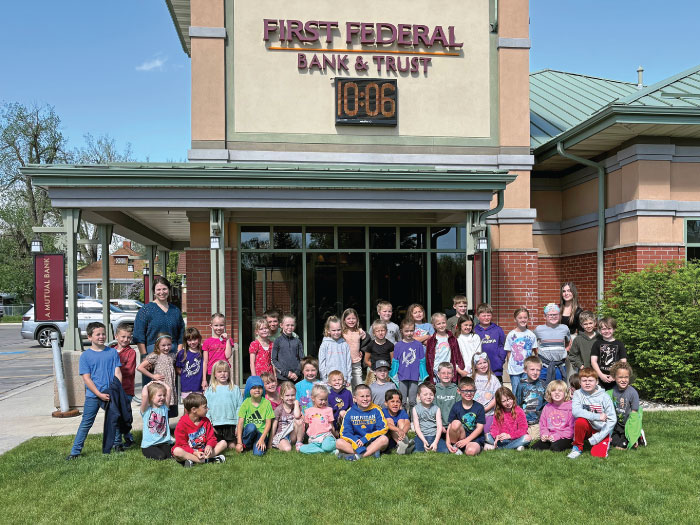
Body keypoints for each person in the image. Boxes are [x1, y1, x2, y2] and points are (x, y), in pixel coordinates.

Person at [67, 322, 122, 460]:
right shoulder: (86, 356)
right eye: (98, 334)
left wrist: (115, 389)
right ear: (90, 337)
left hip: (110, 392)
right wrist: (99, 394)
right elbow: (87, 378)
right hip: (93, 396)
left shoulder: (112, 352)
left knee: (115, 419)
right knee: (86, 423)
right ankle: (75, 452)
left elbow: (118, 372)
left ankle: (117, 444)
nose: (101, 337)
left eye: (103, 334)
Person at [568, 367, 617, 459]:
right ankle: (577, 448)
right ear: (580, 382)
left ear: (597, 382)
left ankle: (604, 441)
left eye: (590, 380)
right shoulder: (578, 394)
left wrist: (598, 437)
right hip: (587, 427)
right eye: (584, 380)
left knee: (598, 455)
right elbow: (576, 411)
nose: (587, 383)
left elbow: (612, 419)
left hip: (601, 429)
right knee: (580, 421)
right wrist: (597, 416)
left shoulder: (604, 396)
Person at [133, 276, 185, 357]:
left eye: (164, 289)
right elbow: (139, 335)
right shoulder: (145, 310)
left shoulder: (175, 310)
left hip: (173, 353)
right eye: (158, 289)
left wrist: (179, 352)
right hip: (152, 353)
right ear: (154, 291)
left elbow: (181, 334)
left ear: (169, 290)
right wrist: (144, 355)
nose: (162, 292)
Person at [172, 393, 227, 467]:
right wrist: (194, 453)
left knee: (223, 443)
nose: (207, 409)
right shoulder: (182, 424)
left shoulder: (206, 421)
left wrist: (209, 445)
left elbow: (212, 438)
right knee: (177, 451)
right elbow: (182, 444)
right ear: (194, 410)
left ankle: (193, 461)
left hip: (203, 451)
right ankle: (208, 460)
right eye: (205, 407)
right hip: (190, 452)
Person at [336, 383, 389, 460]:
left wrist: (366, 438)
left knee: (384, 439)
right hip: (356, 443)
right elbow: (344, 433)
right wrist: (355, 442)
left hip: (372, 442)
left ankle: (358, 456)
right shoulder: (350, 412)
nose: (365, 399)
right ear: (355, 399)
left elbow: (383, 429)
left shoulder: (377, 410)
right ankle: (370, 453)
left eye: (367, 396)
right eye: (362, 396)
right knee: (339, 442)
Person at [391, 318, 427, 415]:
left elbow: (422, 361)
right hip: (402, 376)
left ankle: (412, 420)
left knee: (412, 401)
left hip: (414, 377)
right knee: (402, 401)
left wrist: (422, 375)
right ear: (401, 331)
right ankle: (403, 419)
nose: (409, 333)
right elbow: (395, 362)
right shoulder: (398, 345)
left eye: (411, 331)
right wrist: (393, 374)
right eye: (407, 331)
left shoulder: (418, 345)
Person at [137, 333, 178, 418]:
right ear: (157, 345)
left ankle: (165, 427)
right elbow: (140, 367)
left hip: (170, 385)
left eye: (169, 345)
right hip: (160, 386)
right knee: (158, 408)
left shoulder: (172, 355)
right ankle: (157, 426)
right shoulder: (155, 355)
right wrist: (153, 376)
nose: (166, 347)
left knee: (167, 409)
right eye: (163, 345)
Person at [205, 360, 243, 451]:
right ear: (214, 374)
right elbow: (206, 408)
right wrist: (210, 423)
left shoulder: (235, 388)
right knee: (217, 445)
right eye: (219, 372)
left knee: (231, 447)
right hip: (215, 424)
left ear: (229, 373)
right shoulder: (210, 390)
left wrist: (238, 424)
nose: (223, 374)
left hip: (231, 423)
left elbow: (240, 407)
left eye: (225, 371)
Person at [608, 362, 646, 449]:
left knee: (624, 445)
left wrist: (632, 434)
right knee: (612, 442)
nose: (623, 380)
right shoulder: (612, 391)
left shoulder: (633, 393)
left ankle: (638, 436)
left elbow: (634, 415)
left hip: (628, 425)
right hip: (617, 425)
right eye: (620, 377)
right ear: (614, 378)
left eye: (626, 377)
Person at [446, 376, 485, 456]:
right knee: (455, 423)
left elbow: (480, 428)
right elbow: (450, 426)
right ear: (459, 391)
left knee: (470, 451)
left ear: (475, 391)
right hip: (460, 436)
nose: (469, 393)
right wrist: (447, 443)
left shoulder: (479, 407)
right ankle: (455, 446)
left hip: (474, 438)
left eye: (471, 391)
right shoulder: (456, 406)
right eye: (465, 391)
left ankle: (473, 447)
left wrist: (466, 441)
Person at [236, 376, 275, 456]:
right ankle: (246, 445)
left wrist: (262, 439)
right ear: (249, 390)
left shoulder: (267, 403)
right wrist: (239, 442)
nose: (257, 390)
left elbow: (268, 424)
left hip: (261, 433)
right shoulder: (246, 403)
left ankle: (255, 444)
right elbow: (240, 423)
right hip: (249, 431)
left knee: (258, 454)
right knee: (251, 427)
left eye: (259, 387)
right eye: (254, 388)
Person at [531, 380, 575, 452]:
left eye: (560, 391)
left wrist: (558, 436)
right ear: (549, 393)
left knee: (555, 448)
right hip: (550, 436)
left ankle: (569, 445)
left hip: (565, 437)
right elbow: (543, 425)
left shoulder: (570, 407)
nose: (557, 393)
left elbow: (571, 429)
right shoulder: (547, 407)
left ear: (565, 393)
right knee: (535, 448)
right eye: (553, 390)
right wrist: (545, 434)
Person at [111, 322, 136, 449]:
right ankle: (117, 443)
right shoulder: (110, 351)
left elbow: (129, 371)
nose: (126, 340)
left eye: (128, 337)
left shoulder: (131, 353)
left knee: (125, 416)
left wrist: (115, 369)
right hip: (113, 390)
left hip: (126, 390)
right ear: (116, 336)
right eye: (123, 337)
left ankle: (127, 437)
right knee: (116, 415)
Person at [534, 303, 570, 385]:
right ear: (544, 316)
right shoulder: (539, 329)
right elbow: (534, 345)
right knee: (543, 387)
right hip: (544, 366)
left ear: (560, 315)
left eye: (556, 314)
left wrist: (565, 352)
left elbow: (568, 342)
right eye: (550, 315)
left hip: (560, 366)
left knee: (560, 388)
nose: (553, 317)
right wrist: (538, 355)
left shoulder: (564, 328)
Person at [504, 307, 538, 394]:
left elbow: (535, 352)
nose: (523, 320)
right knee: (515, 391)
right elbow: (509, 353)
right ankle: (516, 408)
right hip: (515, 370)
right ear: (515, 319)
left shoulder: (531, 335)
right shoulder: (511, 335)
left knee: (527, 392)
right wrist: (510, 367)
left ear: (528, 318)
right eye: (520, 318)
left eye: (525, 317)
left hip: (527, 369)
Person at [425, 312, 464, 384]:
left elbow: (457, 355)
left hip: (449, 369)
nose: (441, 325)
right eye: (438, 324)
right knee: (438, 392)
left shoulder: (452, 338)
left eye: (443, 323)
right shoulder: (431, 340)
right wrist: (431, 373)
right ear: (434, 325)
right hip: (436, 370)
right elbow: (428, 358)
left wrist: (460, 367)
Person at [591, 317, 627, 390]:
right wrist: (600, 375)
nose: (606, 331)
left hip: (615, 378)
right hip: (600, 378)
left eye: (609, 328)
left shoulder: (619, 344)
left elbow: (623, 361)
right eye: (604, 329)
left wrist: (614, 375)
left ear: (614, 329)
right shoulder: (597, 343)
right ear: (600, 331)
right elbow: (593, 361)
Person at [515, 356, 546, 442]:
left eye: (538, 370)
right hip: (523, 421)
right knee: (516, 434)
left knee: (533, 438)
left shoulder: (543, 385)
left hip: (536, 422)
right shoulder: (521, 385)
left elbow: (546, 404)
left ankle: (521, 442)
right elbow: (517, 403)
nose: (535, 372)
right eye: (532, 369)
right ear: (525, 370)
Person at [299, 384, 337, 454]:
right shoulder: (308, 411)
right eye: (321, 400)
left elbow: (331, 426)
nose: (323, 402)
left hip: (326, 436)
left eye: (325, 399)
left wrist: (335, 436)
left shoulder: (328, 410)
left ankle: (329, 447)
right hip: (314, 438)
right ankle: (324, 451)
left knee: (327, 446)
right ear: (313, 398)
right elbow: (307, 426)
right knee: (301, 448)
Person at [473, 303, 507, 381]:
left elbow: (503, 346)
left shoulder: (498, 330)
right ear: (478, 316)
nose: (486, 318)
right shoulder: (475, 330)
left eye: (488, 315)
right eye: (484, 316)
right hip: (479, 370)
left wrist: (500, 360)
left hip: (495, 369)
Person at [139, 381, 172, 460]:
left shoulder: (164, 408)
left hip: (163, 443)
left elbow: (169, 389)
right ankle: (149, 452)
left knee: (171, 455)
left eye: (164, 395)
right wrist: (147, 385)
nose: (163, 397)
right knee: (161, 456)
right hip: (149, 445)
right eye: (159, 395)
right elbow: (145, 395)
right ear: (151, 397)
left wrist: (160, 382)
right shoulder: (146, 410)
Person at [412, 382, 449, 453]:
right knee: (416, 451)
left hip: (434, 436)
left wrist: (435, 442)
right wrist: (424, 441)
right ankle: (409, 445)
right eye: (425, 394)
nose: (428, 397)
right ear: (419, 396)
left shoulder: (437, 409)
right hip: (421, 436)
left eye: (431, 394)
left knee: (445, 451)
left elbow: (439, 427)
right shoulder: (415, 409)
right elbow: (417, 427)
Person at [472, 352, 501, 435]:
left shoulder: (493, 379)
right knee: (473, 433)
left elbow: (497, 396)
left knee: (485, 434)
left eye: (485, 362)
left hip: (489, 413)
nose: (483, 365)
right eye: (479, 363)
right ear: (475, 366)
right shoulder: (471, 378)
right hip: (473, 413)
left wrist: (486, 408)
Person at [270, 381, 303, 452]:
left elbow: (297, 416)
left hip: (292, 435)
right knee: (288, 449)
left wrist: (296, 403)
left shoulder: (296, 407)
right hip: (282, 436)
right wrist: (270, 441)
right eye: (287, 395)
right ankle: (280, 444)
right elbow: (274, 426)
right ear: (282, 396)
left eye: (292, 395)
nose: (290, 398)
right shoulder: (279, 409)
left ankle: (299, 442)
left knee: (299, 420)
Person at [202, 313, 233, 387]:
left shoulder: (228, 340)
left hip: (224, 372)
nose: (219, 328)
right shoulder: (207, 342)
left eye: (221, 325)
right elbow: (205, 361)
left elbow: (228, 355)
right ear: (211, 326)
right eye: (216, 325)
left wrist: (227, 340)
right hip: (211, 372)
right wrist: (204, 379)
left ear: (225, 325)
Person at [272, 314, 305, 383]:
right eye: (287, 325)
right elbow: (274, 360)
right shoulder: (277, 341)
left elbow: (302, 359)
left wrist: (297, 373)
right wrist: (286, 373)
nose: (290, 327)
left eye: (292, 325)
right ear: (281, 325)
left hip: (297, 377)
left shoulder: (297, 341)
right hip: (283, 378)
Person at [318, 315, 351, 383]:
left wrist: (348, 378)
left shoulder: (344, 344)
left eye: (338, 330)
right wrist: (324, 378)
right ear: (328, 330)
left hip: (343, 379)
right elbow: (321, 363)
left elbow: (348, 362)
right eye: (333, 330)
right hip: (329, 379)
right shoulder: (325, 344)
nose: (336, 332)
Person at [342, 308, 369, 388]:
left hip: (356, 362)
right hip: (344, 362)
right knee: (344, 384)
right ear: (344, 320)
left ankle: (358, 399)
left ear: (357, 319)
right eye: (348, 319)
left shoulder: (360, 331)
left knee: (359, 384)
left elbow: (367, 343)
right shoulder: (342, 332)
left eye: (353, 318)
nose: (351, 321)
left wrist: (362, 350)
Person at [176, 326, 204, 400]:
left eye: (195, 339)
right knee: (187, 409)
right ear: (186, 341)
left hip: (199, 387)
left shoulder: (203, 352)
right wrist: (186, 374)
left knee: (199, 409)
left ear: (199, 338)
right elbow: (178, 368)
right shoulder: (182, 354)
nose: (192, 342)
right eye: (189, 340)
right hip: (186, 387)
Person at [363, 320, 395, 384]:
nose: (380, 333)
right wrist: (375, 369)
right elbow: (366, 360)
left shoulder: (390, 345)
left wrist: (386, 370)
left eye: (382, 330)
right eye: (377, 331)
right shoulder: (370, 345)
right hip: (373, 372)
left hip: (386, 373)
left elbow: (392, 360)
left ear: (386, 331)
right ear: (374, 333)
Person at [383, 389, 413, 454]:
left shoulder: (402, 412)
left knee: (401, 421)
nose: (395, 404)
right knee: (390, 423)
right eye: (392, 401)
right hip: (387, 440)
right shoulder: (383, 412)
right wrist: (398, 430)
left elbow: (407, 424)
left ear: (401, 404)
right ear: (386, 403)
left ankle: (403, 444)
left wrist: (403, 432)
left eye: (398, 402)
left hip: (399, 437)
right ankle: (403, 445)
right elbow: (387, 424)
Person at [435, 362, 458, 436]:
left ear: (453, 374)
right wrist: (440, 425)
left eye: (449, 373)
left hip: (452, 425)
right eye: (443, 373)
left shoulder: (457, 390)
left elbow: (458, 409)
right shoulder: (434, 390)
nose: (446, 375)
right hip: (437, 424)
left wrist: (451, 425)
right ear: (438, 374)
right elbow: (433, 410)